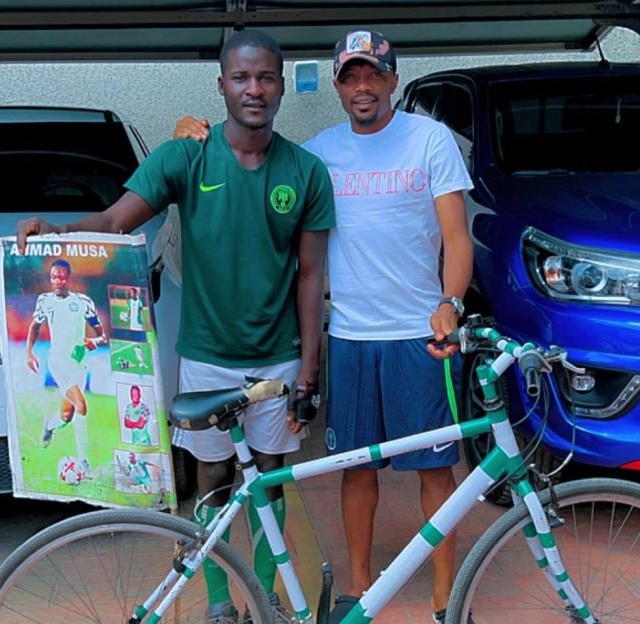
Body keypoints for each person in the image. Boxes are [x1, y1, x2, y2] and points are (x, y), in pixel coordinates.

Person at [16, 29, 335, 624]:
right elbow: (115, 219)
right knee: (213, 479)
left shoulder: (306, 170)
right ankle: (218, 601)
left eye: (266, 77)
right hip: (207, 356)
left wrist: (310, 370)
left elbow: (311, 275)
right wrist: (61, 233)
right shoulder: (185, 156)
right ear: (221, 86)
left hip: (279, 358)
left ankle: (264, 595)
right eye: (241, 77)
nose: (254, 89)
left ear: (282, 86)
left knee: (270, 480)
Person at [173, 28, 473, 624]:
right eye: (351, 76)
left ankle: (446, 598)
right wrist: (194, 128)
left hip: (420, 336)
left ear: (393, 79)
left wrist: (451, 302)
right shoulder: (320, 153)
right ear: (337, 86)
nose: (363, 86)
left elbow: (458, 238)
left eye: (373, 74)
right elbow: (253, 143)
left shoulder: (431, 140)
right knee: (356, 470)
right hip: (352, 338)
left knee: (436, 469)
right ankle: (359, 589)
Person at [25, 258, 107, 480]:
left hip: (78, 362)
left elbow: (101, 334)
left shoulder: (83, 302)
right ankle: (84, 462)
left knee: (67, 415)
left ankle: (49, 426)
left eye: (61, 277)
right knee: (81, 405)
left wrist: (94, 341)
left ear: (69, 278)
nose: (57, 281)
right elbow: (35, 326)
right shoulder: (46, 301)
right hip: (58, 361)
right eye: (53, 277)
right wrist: (29, 353)